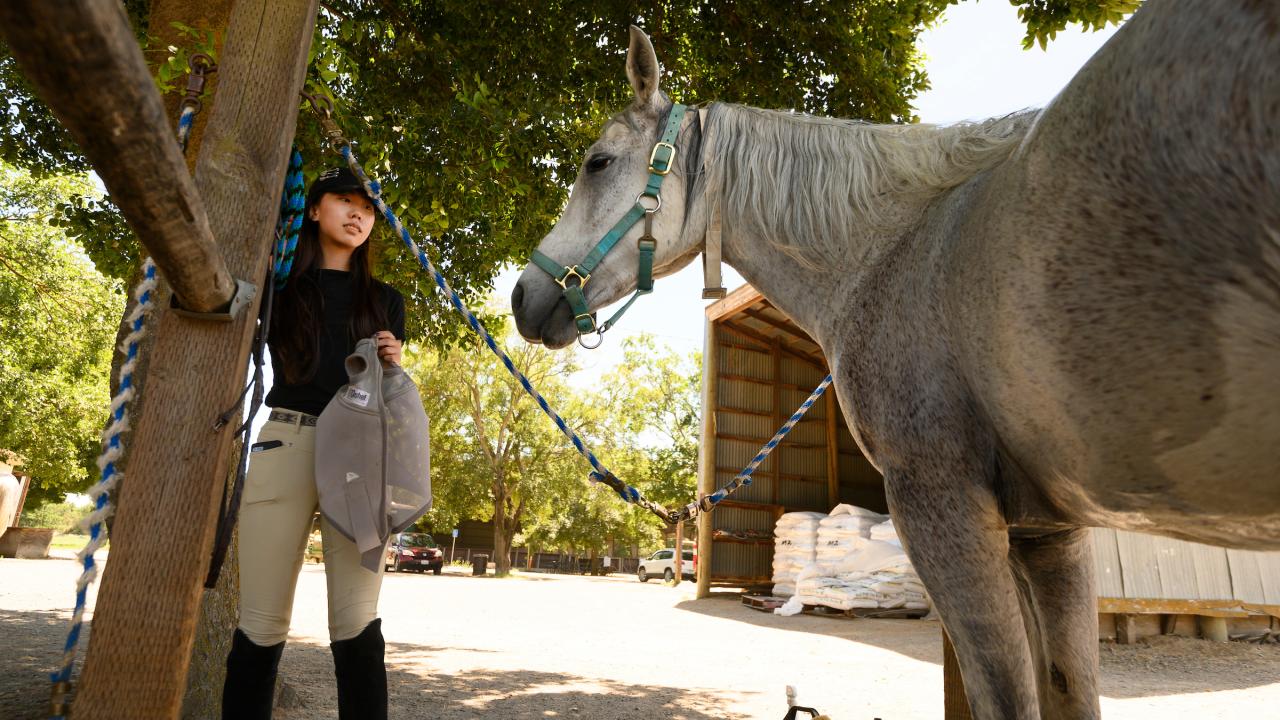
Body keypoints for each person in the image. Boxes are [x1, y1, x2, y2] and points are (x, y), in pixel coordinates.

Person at [221, 166, 405, 720]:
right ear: (314, 208)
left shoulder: (388, 301)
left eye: (368, 209)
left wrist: (394, 365)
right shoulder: (277, 286)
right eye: (345, 201)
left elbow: (384, 396)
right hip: (287, 441)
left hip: (360, 457)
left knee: (356, 623)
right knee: (260, 623)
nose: (358, 215)